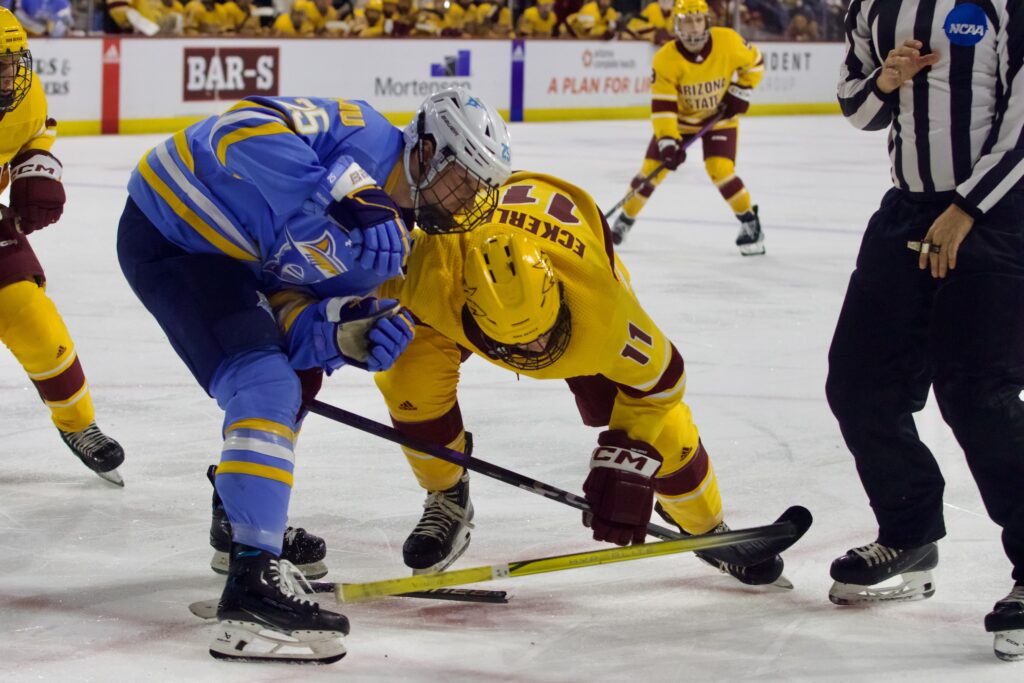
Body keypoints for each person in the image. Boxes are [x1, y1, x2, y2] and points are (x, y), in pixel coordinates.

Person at [116, 88, 512, 663]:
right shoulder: (362, 131)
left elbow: (288, 308)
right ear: (427, 151)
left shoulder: (391, 248)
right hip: (171, 229)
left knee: (287, 377)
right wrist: (345, 191)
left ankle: (244, 536)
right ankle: (253, 581)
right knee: (266, 386)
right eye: (462, 181)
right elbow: (240, 127)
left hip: (230, 269)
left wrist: (342, 332)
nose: (464, 202)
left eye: (479, 190)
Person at [277, 171, 789, 587]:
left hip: (564, 250)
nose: (532, 354)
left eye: (542, 339)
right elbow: (318, 288)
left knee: (664, 432)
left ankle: (709, 529)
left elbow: (663, 381)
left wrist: (626, 457)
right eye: (516, 346)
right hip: (466, 274)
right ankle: (447, 496)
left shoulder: (604, 313)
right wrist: (302, 351)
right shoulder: (428, 270)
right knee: (405, 369)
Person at [827, 0, 1024, 662]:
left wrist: (967, 209)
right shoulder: (871, 4)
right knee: (860, 382)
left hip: (996, 215)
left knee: (978, 394)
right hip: (905, 210)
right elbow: (854, 106)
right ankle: (910, 533)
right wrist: (886, 80)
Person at [0, 9, 124, 486]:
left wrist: (36, 162)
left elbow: (33, 130)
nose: (11, 77)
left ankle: (78, 424)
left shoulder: (22, 95)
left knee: (32, 317)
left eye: (12, 63)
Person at [610, 0, 765, 255]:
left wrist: (741, 91)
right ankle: (625, 219)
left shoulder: (728, 41)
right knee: (651, 171)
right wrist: (669, 141)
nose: (693, 28)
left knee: (720, 169)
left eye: (697, 20)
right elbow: (663, 108)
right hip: (680, 122)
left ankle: (750, 222)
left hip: (719, 118)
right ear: (676, 25)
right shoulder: (665, 59)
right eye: (685, 21)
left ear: (707, 21)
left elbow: (756, 63)